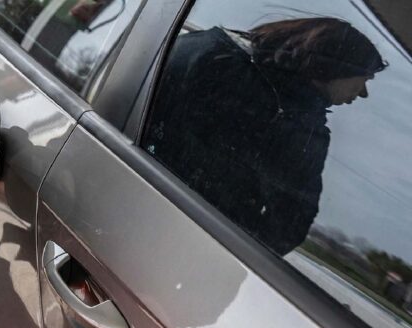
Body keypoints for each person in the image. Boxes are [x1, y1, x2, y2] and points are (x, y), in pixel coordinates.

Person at [144, 17, 386, 255]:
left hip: (161, 223)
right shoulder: (300, 133)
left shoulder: (206, 49)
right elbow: (288, 225)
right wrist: (226, 252)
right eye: (365, 78)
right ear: (340, 65)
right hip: (183, 244)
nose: (363, 92)